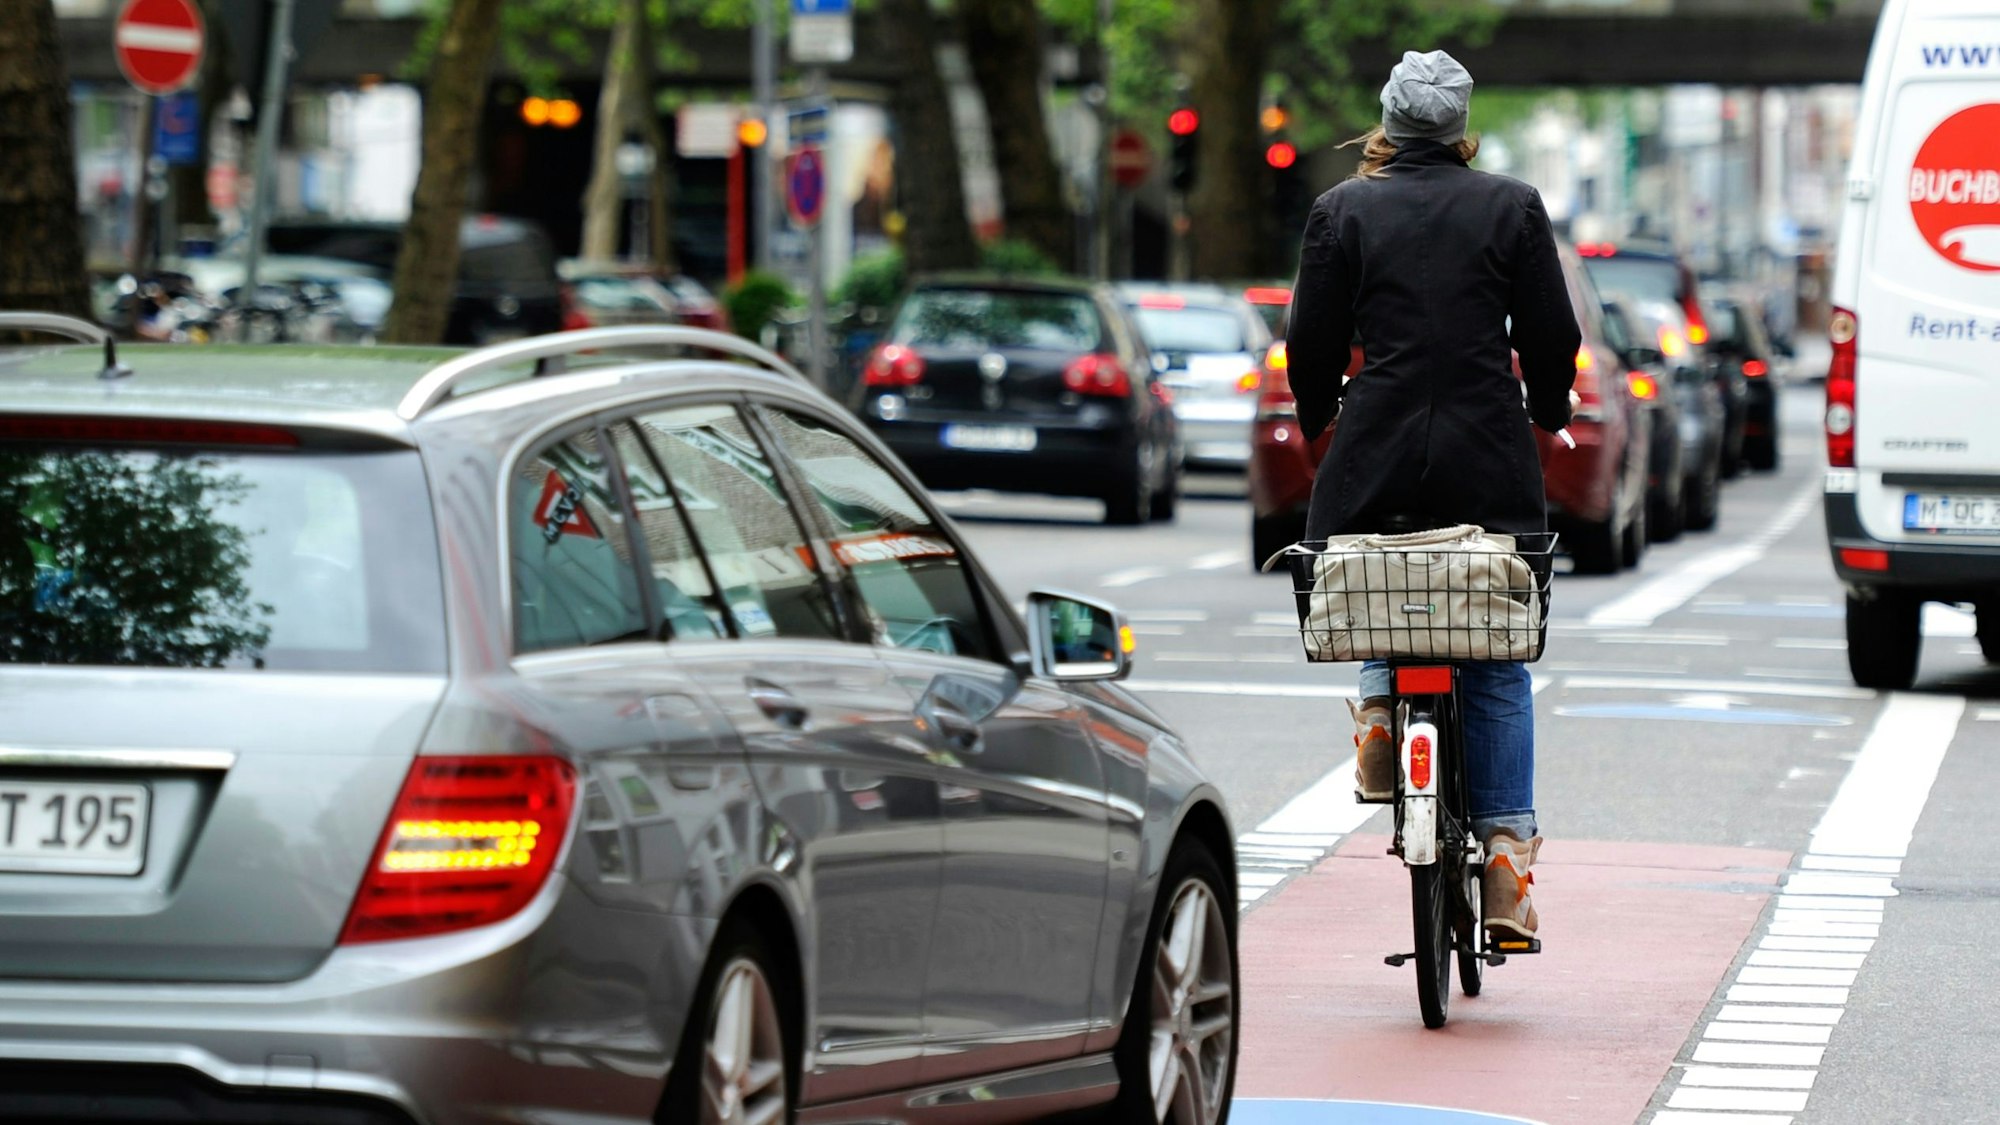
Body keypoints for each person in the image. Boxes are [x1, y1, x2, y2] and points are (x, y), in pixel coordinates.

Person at [1284, 49, 1581, 941]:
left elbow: (1311, 339)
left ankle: (1380, 714)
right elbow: (1552, 332)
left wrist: (1320, 417)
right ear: (1458, 129)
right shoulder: (1511, 207)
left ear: (1387, 121)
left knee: (1374, 580)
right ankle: (1502, 857)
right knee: (1494, 654)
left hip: (1374, 451)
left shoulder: (1341, 211)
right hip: (1487, 454)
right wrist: (1550, 406)